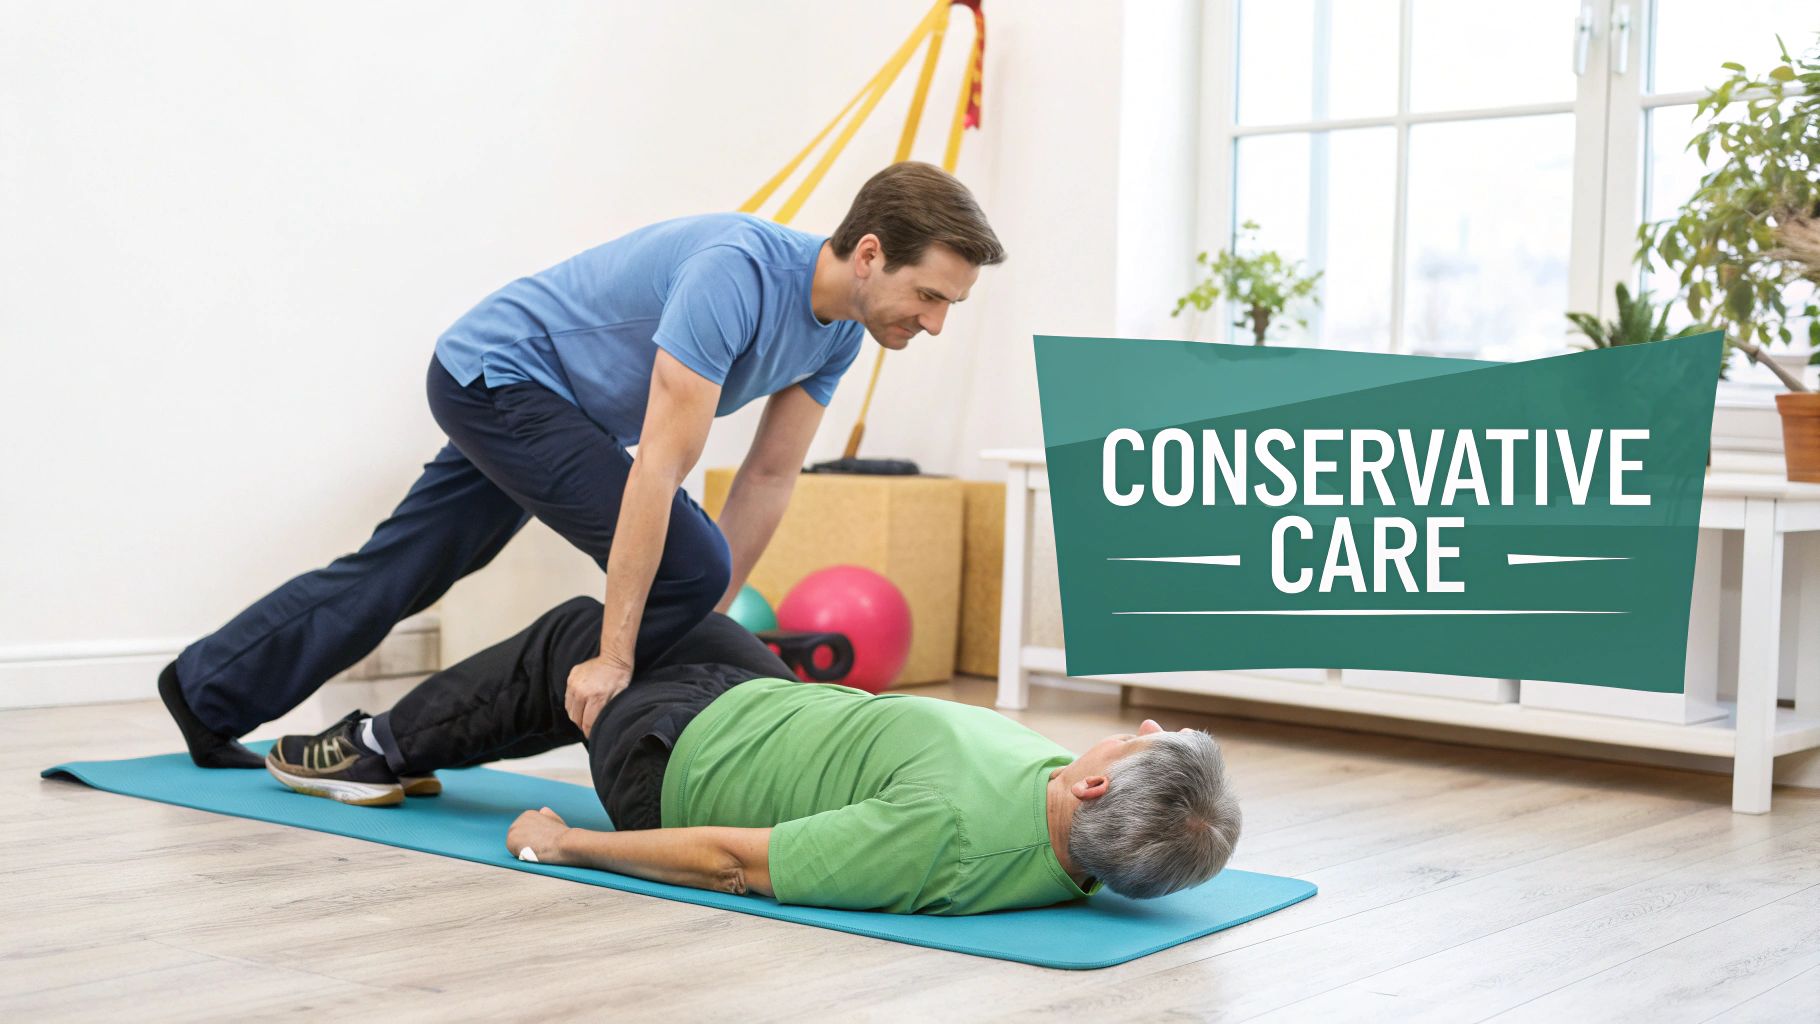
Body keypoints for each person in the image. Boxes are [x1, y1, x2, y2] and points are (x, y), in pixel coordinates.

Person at [158, 162, 1006, 774]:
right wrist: (614, 652)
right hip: (496, 375)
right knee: (688, 556)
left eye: (949, 307)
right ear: (867, 254)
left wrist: (700, 625)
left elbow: (768, 479)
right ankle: (400, 739)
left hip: (540, 399)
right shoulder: (737, 275)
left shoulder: (837, 335)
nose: (934, 323)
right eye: (929, 297)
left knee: (404, 569)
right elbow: (660, 468)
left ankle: (206, 691)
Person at [263, 598, 1244, 915]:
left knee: (581, 638)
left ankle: (377, 747)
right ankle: (443, 738)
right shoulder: (1078, 821)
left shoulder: (938, 839)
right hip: (758, 698)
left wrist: (565, 841)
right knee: (659, 611)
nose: (1142, 727)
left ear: (1094, 782)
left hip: (675, 762)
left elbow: (738, 861)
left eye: (1148, 742)